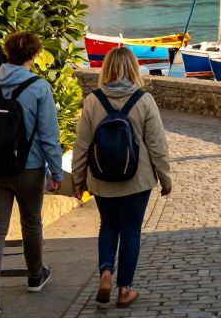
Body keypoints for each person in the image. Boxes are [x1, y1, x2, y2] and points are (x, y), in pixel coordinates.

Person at [0, 31, 64, 318]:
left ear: (6, 52)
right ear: (34, 56)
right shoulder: (39, 88)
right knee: (31, 222)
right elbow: (49, 135)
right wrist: (56, 171)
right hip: (29, 168)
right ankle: (35, 275)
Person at [72, 47, 172, 308]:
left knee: (108, 225)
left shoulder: (93, 100)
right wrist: (165, 178)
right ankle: (124, 289)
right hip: (137, 180)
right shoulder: (144, 99)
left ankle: (106, 272)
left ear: (106, 69)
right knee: (130, 230)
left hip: (102, 179)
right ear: (133, 69)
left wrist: (78, 180)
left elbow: (82, 145)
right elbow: (157, 145)